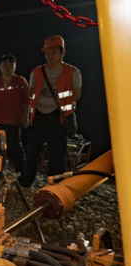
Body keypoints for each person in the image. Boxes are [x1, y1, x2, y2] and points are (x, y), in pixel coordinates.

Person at [19, 35, 81, 187]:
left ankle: (56, 183)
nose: (50, 56)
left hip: (59, 117)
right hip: (38, 115)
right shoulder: (36, 71)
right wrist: (27, 115)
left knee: (57, 152)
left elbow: (76, 95)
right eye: (47, 53)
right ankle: (26, 180)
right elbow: (30, 93)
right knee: (32, 150)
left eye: (53, 52)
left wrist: (61, 106)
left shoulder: (73, 72)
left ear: (62, 53)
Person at [0, 54, 30, 173]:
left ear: (15, 67)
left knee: (16, 147)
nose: (7, 68)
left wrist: (26, 117)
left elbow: (26, 101)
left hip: (13, 121)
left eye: (10, 65)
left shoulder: (20, 82)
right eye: (4, 65)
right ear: (0, 67)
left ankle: (21, 174)